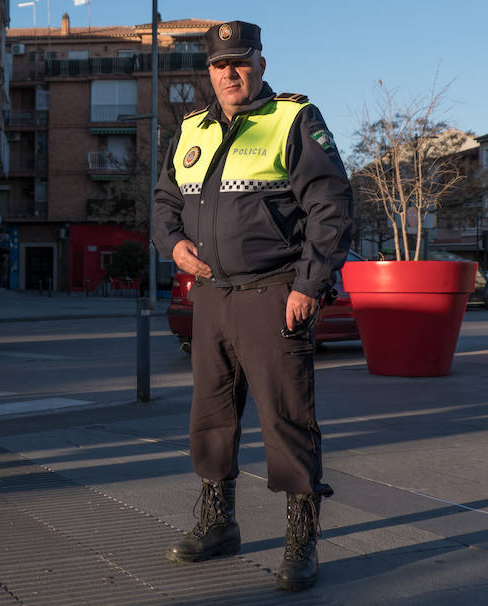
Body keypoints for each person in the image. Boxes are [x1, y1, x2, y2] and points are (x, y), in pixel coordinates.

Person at [152, 20, 353, 592]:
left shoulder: (292, 119)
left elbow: (331, 206)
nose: (230, 73)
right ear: (209, 72)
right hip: (211, 295)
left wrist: (309, 285)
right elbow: (165, 202)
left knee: (287, 419)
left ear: (261, 63)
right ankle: (219, 523)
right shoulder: (191, 129)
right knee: (210, 418)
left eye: (240, 62)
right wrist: (174, 245)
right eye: (220, 65)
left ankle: (301, 540)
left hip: (275, 293)